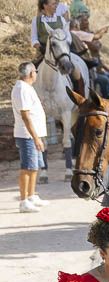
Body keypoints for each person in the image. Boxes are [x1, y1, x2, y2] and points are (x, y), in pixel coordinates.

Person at [12, 62, 49, 214]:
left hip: (35, 134)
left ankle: (31, 195)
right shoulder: (21, 89)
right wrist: (35, 138)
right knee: (27, 167)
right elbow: (25, 115)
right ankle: (23, 201)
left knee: (34, 166)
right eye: (36, 71)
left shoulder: (27, 88)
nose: (37, 74)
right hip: (27, 135)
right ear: (31, 73)